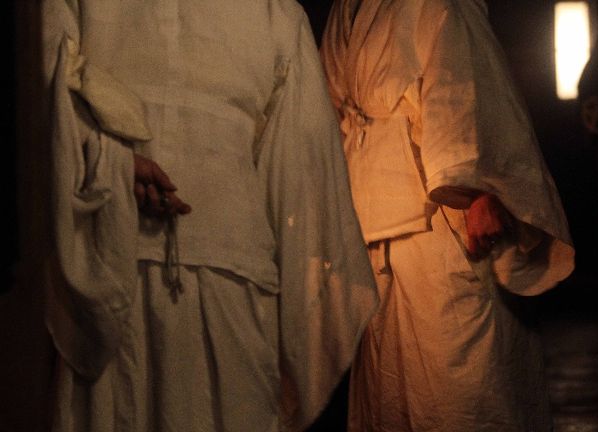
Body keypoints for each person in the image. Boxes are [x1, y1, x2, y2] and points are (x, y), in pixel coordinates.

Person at [41, 1, 378, 431]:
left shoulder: (276, 14)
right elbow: (39, 98)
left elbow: (300, 171)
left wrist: (100, 159)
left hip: (196, 276)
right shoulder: (275, 14)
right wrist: (114, 166)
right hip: (115, 274)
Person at [321, 0, 575, 430]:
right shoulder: (348, 9)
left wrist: (477, 191)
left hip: (440, 216)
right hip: (373, 222)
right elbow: (331, 102)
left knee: (459, 387)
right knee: (390, 393)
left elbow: (463, 86)